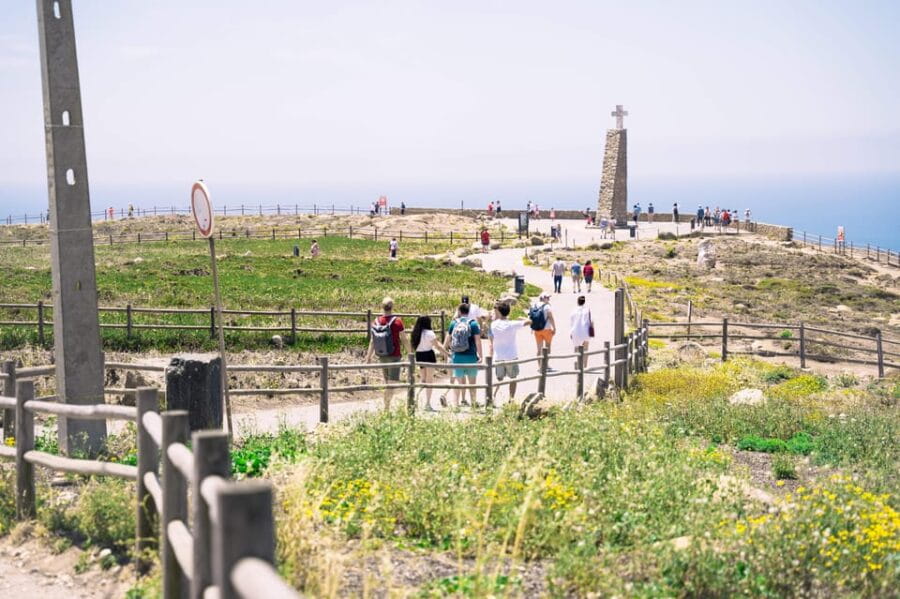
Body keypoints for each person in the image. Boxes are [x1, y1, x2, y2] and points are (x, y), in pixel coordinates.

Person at [365, 297, 410, 410]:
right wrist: (410, 353)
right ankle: (386, 408)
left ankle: (386, 407)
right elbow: (404, 339)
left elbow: (372, 341)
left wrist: (368, 357)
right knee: (392, 384)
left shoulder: (376, 321)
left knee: (387, 382)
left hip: (382, 355)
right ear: (392, 307)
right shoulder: (397, 321)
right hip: (394, 355)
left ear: (382, 306)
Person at [444, 302, 482, 407]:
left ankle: (456, 404)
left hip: (457, 356)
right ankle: (473, 403)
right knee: (472, 382)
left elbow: (448, 339)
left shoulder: (453, 323)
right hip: (471, 355)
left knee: (458, 380)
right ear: (469, 312)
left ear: (459, 311)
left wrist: (445, 352)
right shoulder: (473, 324)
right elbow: (478, 341)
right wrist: (481, 355)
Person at [411, 315, 449, 411]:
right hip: (428, 355)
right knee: (429, 381)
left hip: (419, 355)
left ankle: (415, 398)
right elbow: (437, 346)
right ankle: (427, 404)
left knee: (423, 380)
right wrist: (447, 353)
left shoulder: (416, 333)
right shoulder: (429, 333)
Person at [490, 302, 524, 402]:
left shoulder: (493, 325)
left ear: (499, 312)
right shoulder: (512, 324)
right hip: (511, 355)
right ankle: (511, 399)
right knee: (513, 378)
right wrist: (522, 318)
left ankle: (492, 395)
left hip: (499, 356)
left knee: (499, 378)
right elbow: (530, 322)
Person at [570, 295, 593, 363]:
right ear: (584, 302)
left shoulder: (573, 310)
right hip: (585, 331)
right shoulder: (587, 310)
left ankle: (578, 364)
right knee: (585, 349)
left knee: (577, 349)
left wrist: (571, 332)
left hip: (575, 331)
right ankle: (585, 366)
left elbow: (571, 322)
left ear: (577, 302)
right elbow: (591, 320)